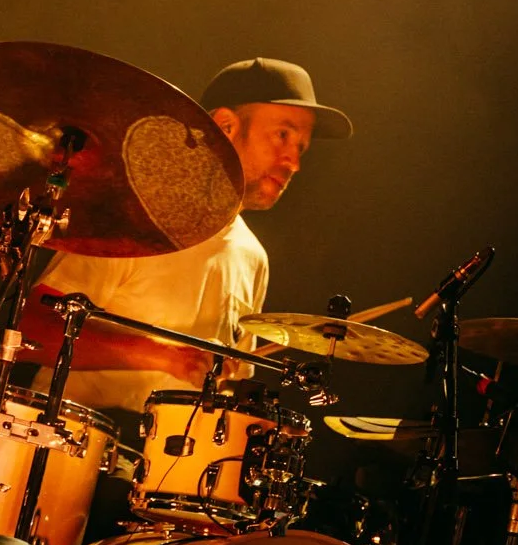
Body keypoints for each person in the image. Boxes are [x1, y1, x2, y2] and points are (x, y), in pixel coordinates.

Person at [24, 56, 351, 426]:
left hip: (170, 462)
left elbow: (231, 382)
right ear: (225, 126)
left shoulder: (253, 257)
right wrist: (164, 355)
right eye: (283, 135)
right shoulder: (139, 216)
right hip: (75, 438)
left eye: (301, 148)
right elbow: (30, 328)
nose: (293, 163)